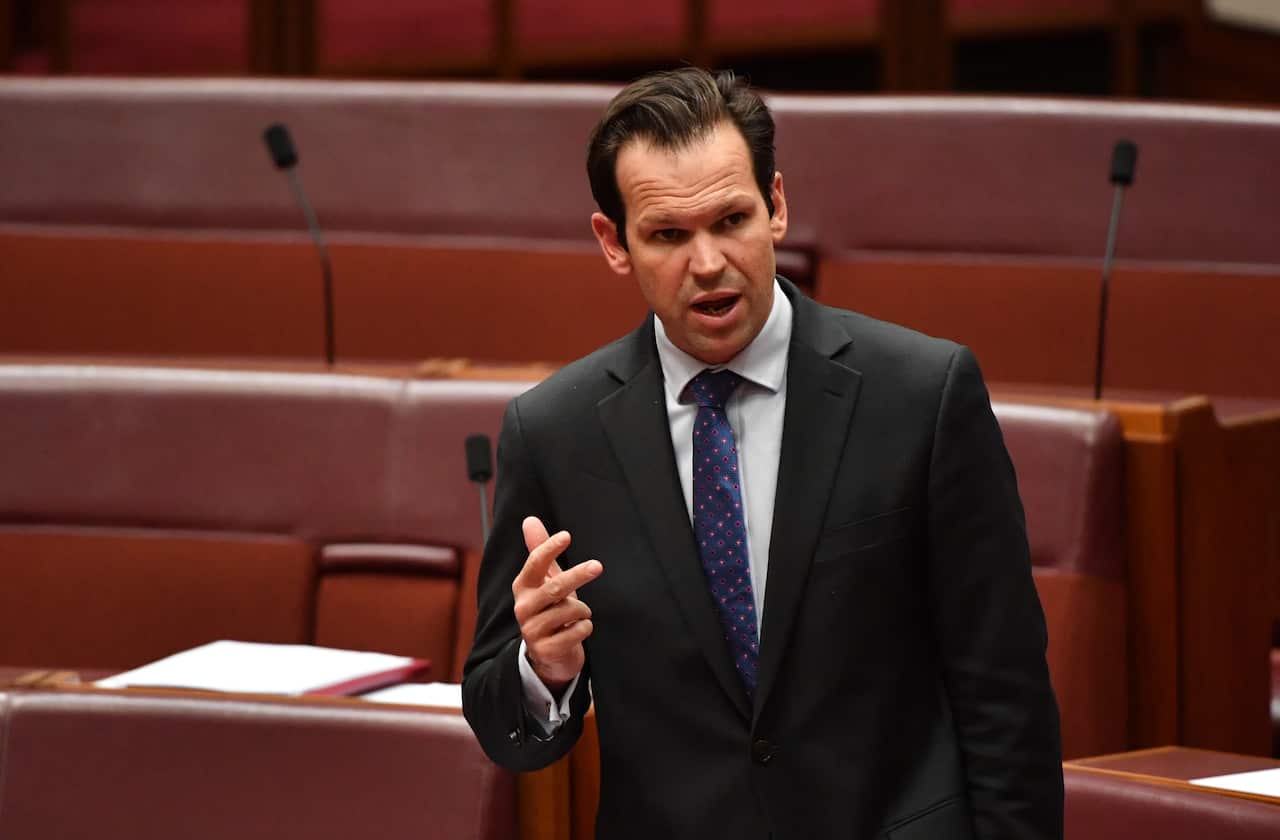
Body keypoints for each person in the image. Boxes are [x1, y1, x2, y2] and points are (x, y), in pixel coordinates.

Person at [463, 67, 1063, 839]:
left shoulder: (921, 395)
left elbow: (1003, 692)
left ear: (776, 206)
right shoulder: (555, 432)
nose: (709, 262)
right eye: (669, 235)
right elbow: (499, 721)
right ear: (614, 243)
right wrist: (544, 669)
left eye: (732, 220)